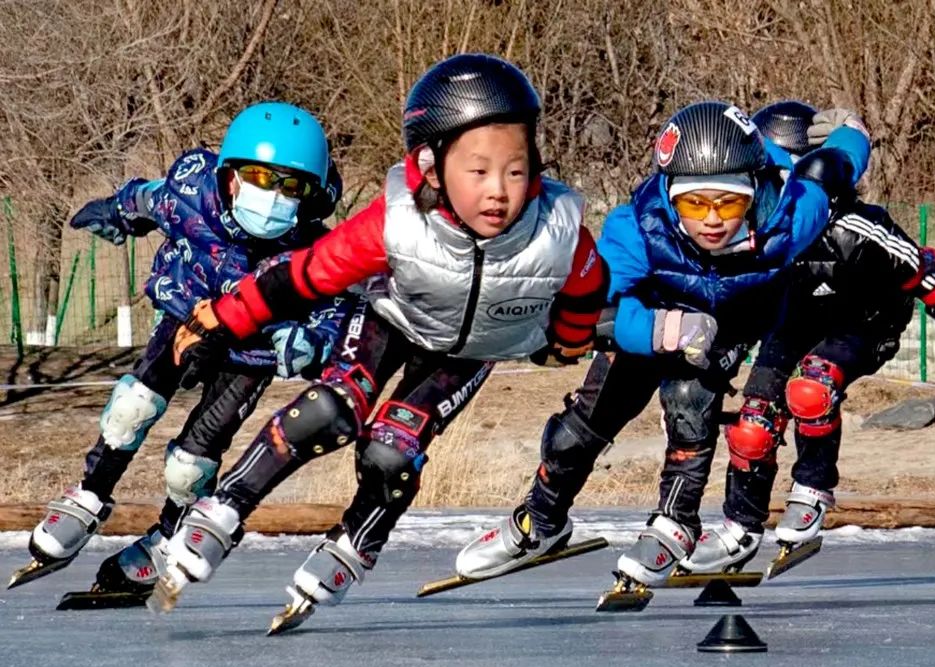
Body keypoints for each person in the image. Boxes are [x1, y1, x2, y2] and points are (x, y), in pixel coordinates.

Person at [152, 54, 607, 631]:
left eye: (516, 172)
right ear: (432, 167)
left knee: (393, 448)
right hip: (390, 322)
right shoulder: (396, 222)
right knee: (329, 408)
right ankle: (225, 508)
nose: (499, 192)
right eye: (478, 171)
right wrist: (223, 318)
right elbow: (303, 275)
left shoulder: (557, 232)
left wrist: (567, 342)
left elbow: (587, 289)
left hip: (471, 349)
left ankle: (355, 543)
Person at [455, 99, 871, 589]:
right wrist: (658, 330)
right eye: (694, 204)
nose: (712, 220)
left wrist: (853, 129)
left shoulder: (791, 213)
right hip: (652, 315)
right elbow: (588, 309)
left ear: (755, 192)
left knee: (688, 400)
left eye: (729, 203)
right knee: (584, 424)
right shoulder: (639, 229)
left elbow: (837, 163)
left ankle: (677, 521)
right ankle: (541, 519)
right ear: (671, 199)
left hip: (733, 321)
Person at [9, 102, 344, 596]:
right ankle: (89, 495)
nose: (273, 196)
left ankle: (169, 537)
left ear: (311, 195)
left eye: (291, 186)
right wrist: (118, 211)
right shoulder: (193, 192)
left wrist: (311, 341)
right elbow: (151, 198)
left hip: (250, 353)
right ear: (230, 175)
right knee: (131, 407)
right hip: (186, 314)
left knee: (190, 466)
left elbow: (338, 304)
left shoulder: (311, 249)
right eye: (259, 177)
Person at [689, 100, 935, 572]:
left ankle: (813, 487)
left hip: (866, 323)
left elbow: (927, 276)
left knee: (811, 387)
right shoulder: (753, 239)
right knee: (752, 425)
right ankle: (740, 525)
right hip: (795, 324)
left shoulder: (857, 229)